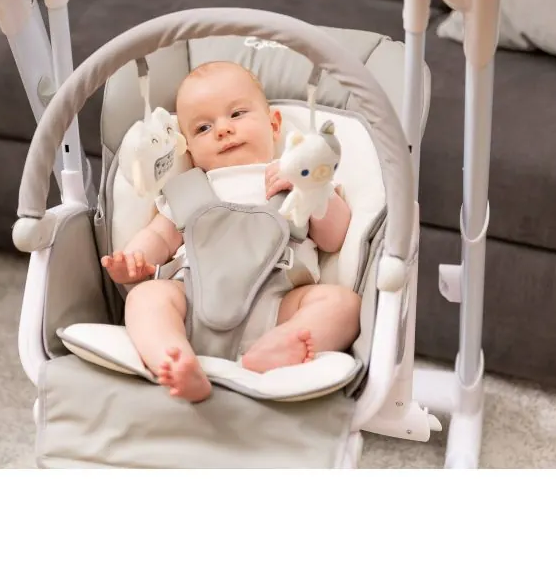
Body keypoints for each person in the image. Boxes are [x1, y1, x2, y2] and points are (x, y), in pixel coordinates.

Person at [101, 61, 361, 402]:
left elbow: (334, 238)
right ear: (189, 149)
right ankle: (175, 358)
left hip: (277, 305)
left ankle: (278, 347)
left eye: (237, 114)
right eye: (204, 128)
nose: (223, 130)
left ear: (274, 125)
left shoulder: (300, 177)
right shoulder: (188, 189)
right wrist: (134, 260)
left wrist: (313, 188)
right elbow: (160, 237)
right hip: (193, 302)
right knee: (146, 298)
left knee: (343, 304)